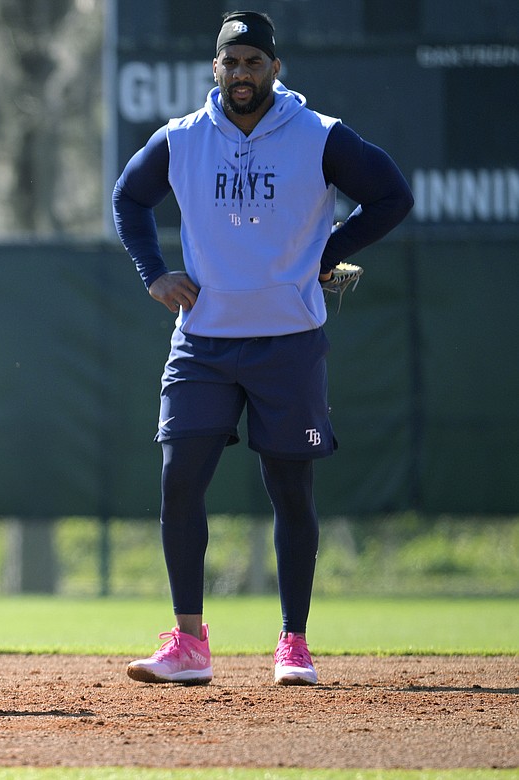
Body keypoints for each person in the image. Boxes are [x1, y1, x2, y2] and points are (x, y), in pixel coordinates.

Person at [111, 11, 413, 686]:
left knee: (291, 489)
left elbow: (392, 195)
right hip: (204, 340)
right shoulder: (182, 139)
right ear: (214, 71)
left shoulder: (319, 136)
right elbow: (129, 198)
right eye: (231, 62)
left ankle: (293, 643)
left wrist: (325, 253)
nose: (242, 73)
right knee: (180, 479)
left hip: (287, 339)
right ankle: (189, 644)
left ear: (276, 69)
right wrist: (153, 273)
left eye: (254, 61)